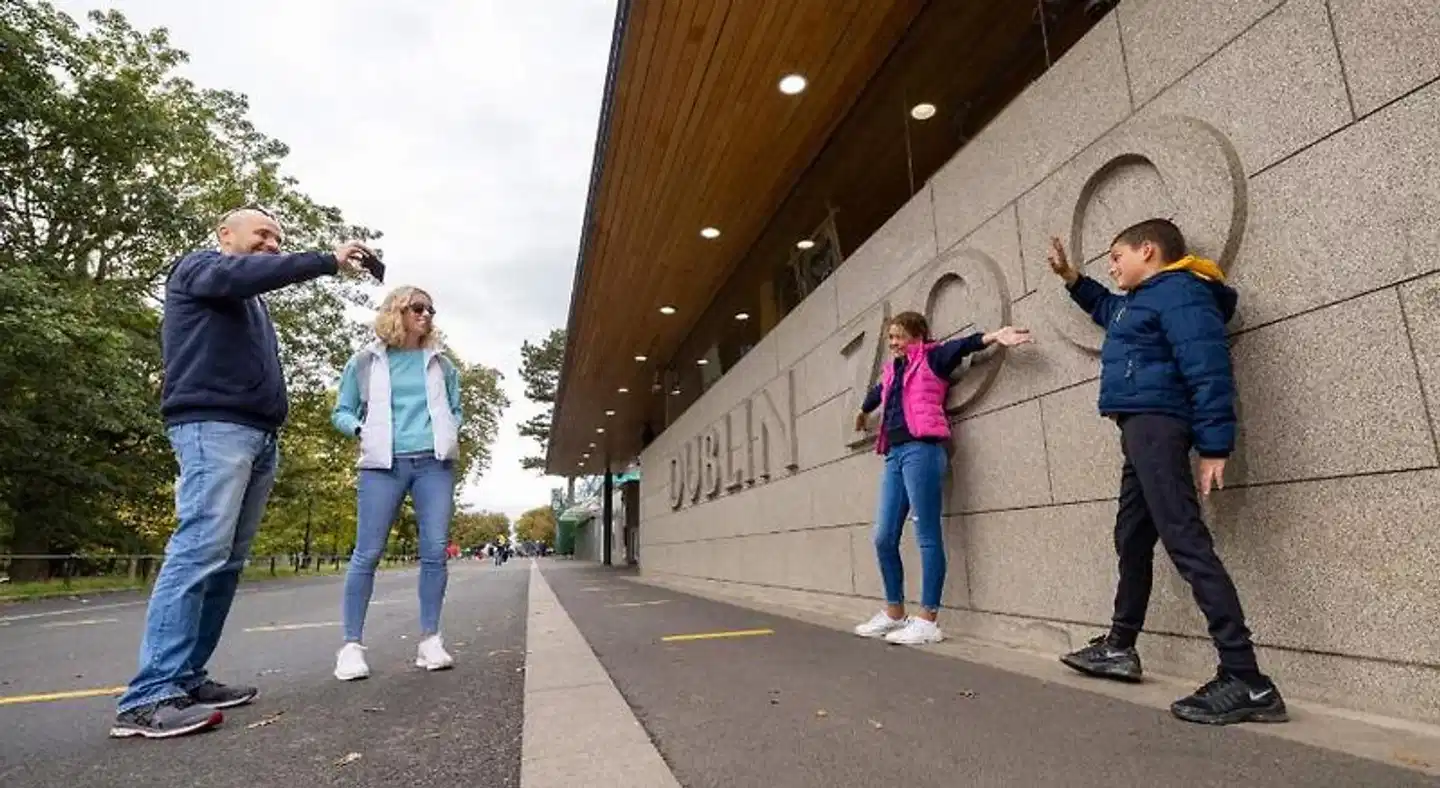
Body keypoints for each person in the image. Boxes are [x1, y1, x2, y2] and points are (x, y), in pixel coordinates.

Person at [111, 208, 367, 739]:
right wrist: (326, 260)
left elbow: (249, 282)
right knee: (199, 550)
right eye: (263, 234)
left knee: (225, 563)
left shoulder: (248, 299)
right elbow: (241, 274)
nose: (272, 243)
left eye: (279, 238)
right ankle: (149, 696)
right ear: (225, 235)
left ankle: (186, 677)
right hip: (214, 428)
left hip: (256, 434)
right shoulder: (200, 267)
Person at [1046, 219, 1287, 726]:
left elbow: (1208, 365)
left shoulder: (1181, 293)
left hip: (1158, 424)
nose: (1111, 266)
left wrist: (1215, 445)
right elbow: (1106, 308)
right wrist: (1072, 279)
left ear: (1148, 251)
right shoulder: (1140, 302)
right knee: (1132, 537)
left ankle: (1247, 678)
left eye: (1116, 256)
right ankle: (1120, 646)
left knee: (1185, 539)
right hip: (1138, 426)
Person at [851, 312, 1032, 646]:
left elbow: (962, 346)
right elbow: (877, 393)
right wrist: (863, 411)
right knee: (883, 537)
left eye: (899, 336)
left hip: (923, 451)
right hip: (894, 455)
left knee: (927, 535)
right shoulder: (893, 370)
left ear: (918, 336)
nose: (893, 343)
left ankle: (928, 620)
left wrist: (994, 336)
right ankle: (894, 613)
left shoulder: (932, 358)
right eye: (891, 337)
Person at [330, 286, 462, 682]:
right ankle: (351, 647)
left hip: (433, 464)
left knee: (435, 551)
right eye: (417, 308)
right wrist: (361, 430)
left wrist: (450, 430)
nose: (426, 315)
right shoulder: (364, 362)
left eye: (431, 309)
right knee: (367, 553)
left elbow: (455, 409)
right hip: (382, 465)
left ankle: (430, 640)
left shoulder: (442, 365)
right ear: (396, 311)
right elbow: (342, 410)